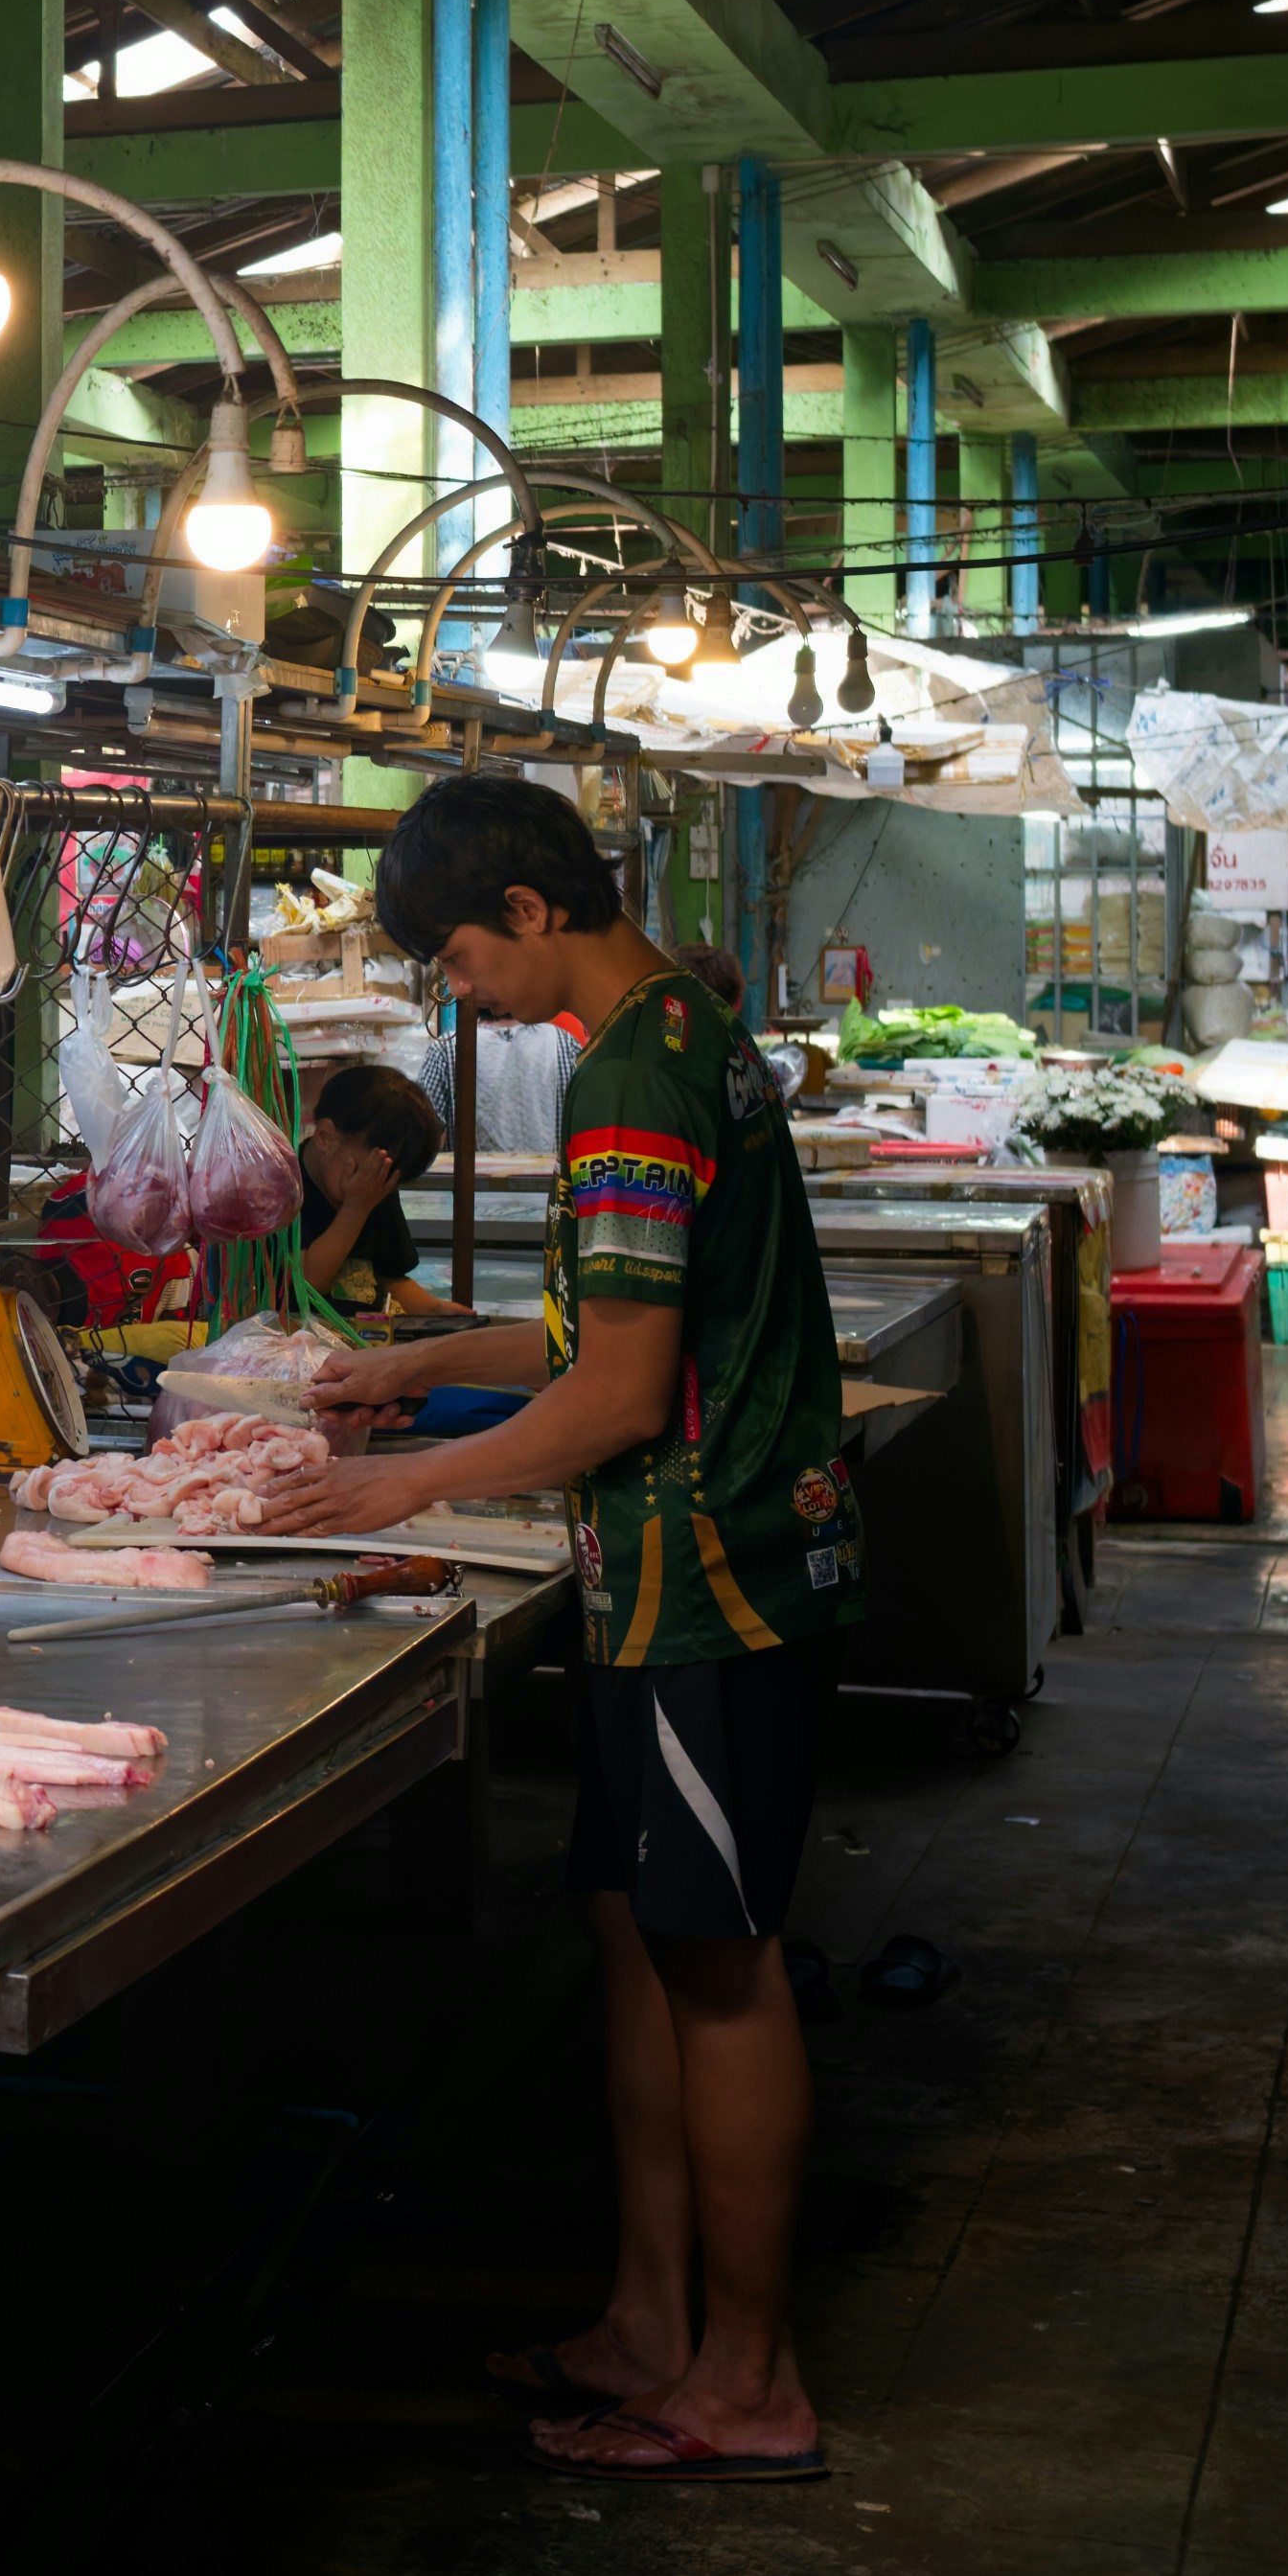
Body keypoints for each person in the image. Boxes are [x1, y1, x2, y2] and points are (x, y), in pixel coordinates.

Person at [262, 773, 860, 2486]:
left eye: (453, 952)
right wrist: (410, 1366)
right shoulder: (677, 1032)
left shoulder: (633, 1075)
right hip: (665, 1579)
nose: (454, 992)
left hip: (710, 1584)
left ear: (528, 908)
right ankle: (649, 2325)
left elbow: (619, 1392)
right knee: (634, 1932)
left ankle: (747, 2380)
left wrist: (399, 1492)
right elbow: (591, 1332)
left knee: (718, 1969)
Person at [297, 1062, 443, 1311]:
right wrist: (355, 1208)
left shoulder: (377, 1185)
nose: (374, 1187)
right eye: (367, 1172)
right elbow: (310, 1283)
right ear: (325, 1137)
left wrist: (436, 1312)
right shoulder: (283, 1189)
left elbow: (389, 1277)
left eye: (386, 1179)